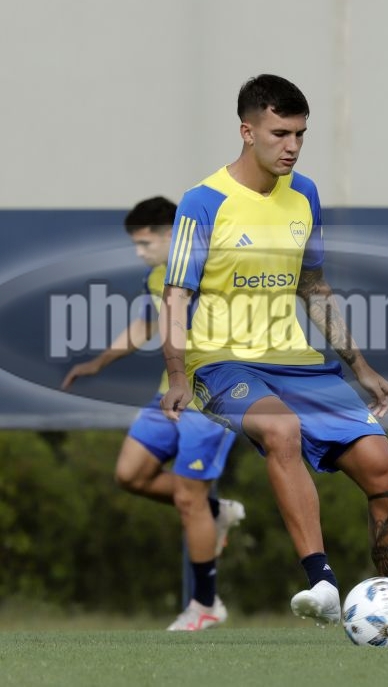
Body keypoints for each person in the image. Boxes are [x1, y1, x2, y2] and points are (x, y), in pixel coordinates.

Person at [159, 75, 388, 646]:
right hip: (222, 363)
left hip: (300, 362)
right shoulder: (203, 201)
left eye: (300, 134)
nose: (292, 146)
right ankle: (323, 582)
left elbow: (313, 285)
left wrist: (359, 365)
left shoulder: (303, 193)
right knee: (280, 428)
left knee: (385, 471)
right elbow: (176, 294)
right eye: (279, 133)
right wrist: (178, 374)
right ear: (247, 131)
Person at [61, 196, 245, 631]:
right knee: (130, 474)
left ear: (171, 235)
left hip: (213, 400)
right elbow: (145, 325)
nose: (139, 252)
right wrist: (98, 363)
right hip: (169, 394)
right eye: (135, 244)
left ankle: (205, 605)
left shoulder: (215, 266)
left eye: (145, 243)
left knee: (187, 499)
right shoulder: (157, 276)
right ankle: (215, 510)